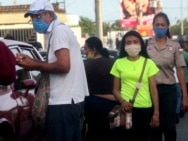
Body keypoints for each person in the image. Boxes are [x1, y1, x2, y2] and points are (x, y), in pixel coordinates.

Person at [16, 0, 89, 140]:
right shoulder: (56, 31)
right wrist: (31, 61)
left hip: (64, 102)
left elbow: (63, 66)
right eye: (32, 18)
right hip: (69, 102)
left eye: (36, 16)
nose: (34, 21)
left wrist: (34, 65)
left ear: (48, 14)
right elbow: (54, 63)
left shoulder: (58, 31)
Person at [146, 12, 188, 141]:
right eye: (157, 24)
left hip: (169, 90)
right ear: (153, 26)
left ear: (167, 26)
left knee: (169, 127)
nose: (160, 27)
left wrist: (185, 96)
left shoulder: (175, 46)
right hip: (150, 91)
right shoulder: (146, 45)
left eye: (162, 25)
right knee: (154, 127)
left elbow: (180, 71)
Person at [110, 30, 160, 141]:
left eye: (135, 42)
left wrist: (156, 112)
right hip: (126, 110)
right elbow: (115, 90)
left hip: (145, 108)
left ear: (141, 44)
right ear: (124, 46)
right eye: (128, 42)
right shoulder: (118, 63)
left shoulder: (148, 63)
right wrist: (123, 102)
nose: (132, 45)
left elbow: (153, 90)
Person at [83, 36, 119, 141]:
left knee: (94, 133)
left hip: (92, 106)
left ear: (94, 50)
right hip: (113, 105)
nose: (85, 52)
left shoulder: (87, 65)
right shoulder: (113, 63)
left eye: (86, 49)